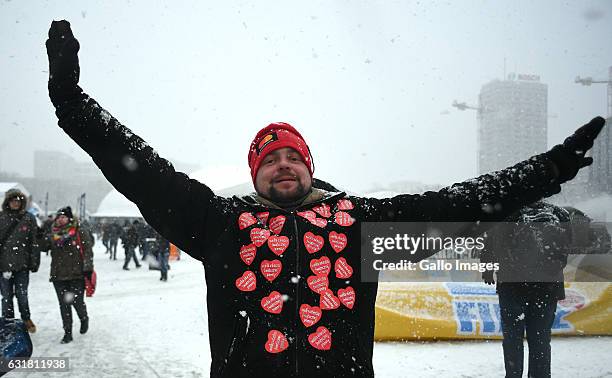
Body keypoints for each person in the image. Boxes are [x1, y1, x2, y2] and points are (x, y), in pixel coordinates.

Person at [45, 20, 605, 377]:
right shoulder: (222, 224)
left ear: (308, 166)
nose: (282, 165)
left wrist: (547, 169)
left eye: (292, 156)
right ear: (255, 175)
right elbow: (142, 173)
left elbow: (460, 205)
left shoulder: (358, 222)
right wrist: (72, 103)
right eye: (268, 160)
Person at [481, 202, 571, 378]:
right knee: (541, 339)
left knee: (513, 339)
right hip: (547, 287)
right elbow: (566, 250)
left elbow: (491, 241)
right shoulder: (559, 214)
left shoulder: (505, 212)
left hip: (512, 285)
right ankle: (540, 375)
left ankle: (513, 374)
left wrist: (487, 269)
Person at [46, 206, 93, 344]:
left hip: (76, 274)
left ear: (69, 218)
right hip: (58, 275)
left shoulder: (78, 231)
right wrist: (40, 235)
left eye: (63, 217)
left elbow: (88, 249)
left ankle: (84, 318)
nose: (61, 220)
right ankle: (68, 332)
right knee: (64, 304)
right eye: (59, 217)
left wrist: (88, 268)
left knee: (77, 301)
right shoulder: (53, 233)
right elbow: (43, 247)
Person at [0, 189, 39, 334]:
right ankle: (8, 323)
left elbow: (34, 242)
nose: (15, 203)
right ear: (8, 202)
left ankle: (26, 318)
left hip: (22, 265)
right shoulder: (1, 218)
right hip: (4, 266)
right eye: (13, 200)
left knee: (22, 294)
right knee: (6, 296)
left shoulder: (28, 218)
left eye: (18, 200)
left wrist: (34, 262)